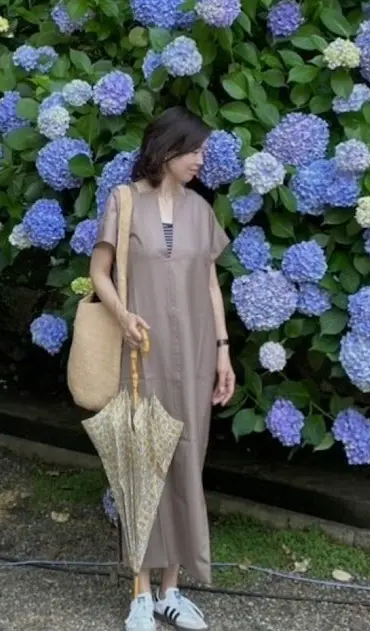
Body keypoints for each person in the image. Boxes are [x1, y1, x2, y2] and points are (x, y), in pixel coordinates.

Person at [90, 106, 236, 631]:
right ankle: (140, 594)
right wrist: (123, 315)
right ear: (167, 149)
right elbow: (99, 272)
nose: (201, 160)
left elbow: (211, 285)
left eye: (202, 152)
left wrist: (223, 350)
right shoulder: (124, 201)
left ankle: (172, 590)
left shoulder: (201, 210)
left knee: (185, 463)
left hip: (195, 357)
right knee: (141, 466)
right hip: (140, 357)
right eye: (194, 150)